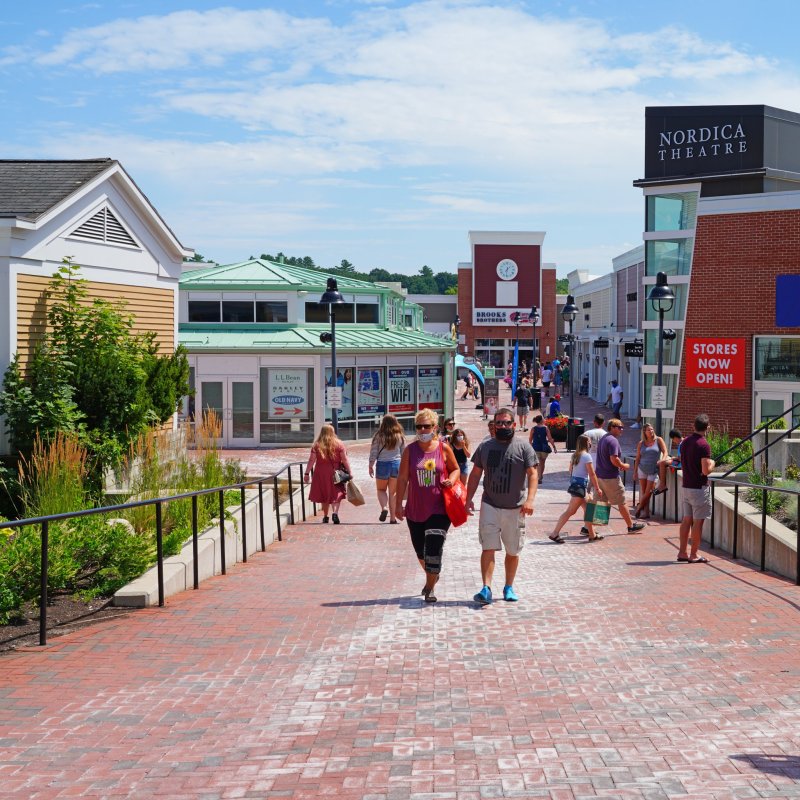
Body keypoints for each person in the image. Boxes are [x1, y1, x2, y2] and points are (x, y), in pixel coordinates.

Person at [466, 408, 538, 604]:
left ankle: (508, 586)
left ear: (514, 425)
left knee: (513, 551)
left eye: (507, 423)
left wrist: (530, 500)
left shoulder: (523, 448)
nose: (503, 426)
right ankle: (486, 588)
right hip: (490, 504)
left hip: (516, 508)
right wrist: (468, 498)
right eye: (499, 423)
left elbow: (532, 474)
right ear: (494, 425)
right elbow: (475, 474)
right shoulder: (485, 447)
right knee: (488, 547)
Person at [395, 409, 461, 602]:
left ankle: (430, 587)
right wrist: (399, 504)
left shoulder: (443, 448)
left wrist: (451, 478)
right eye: (419, 426)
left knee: (433, 548)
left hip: (439, 508)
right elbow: (402, 478)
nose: (423, 429)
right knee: (420, 551)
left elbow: (455, 468)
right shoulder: (410, 450)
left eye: (427, 426)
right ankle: (433, 573)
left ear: (435, 427)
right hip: (415, 509)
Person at [549, 434, 604, 543]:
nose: (590, 443)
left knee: (588, 510)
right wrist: (597, 488)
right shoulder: (586, 456)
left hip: (576, 485)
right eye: (589, 442)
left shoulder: (575, 455)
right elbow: (592, 473)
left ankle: (592, 535)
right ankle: (554, 533)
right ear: (585, 443)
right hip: (581, 487)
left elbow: (570, 470)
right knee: (570, 511)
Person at [594, 418, 645, 533]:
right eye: (619, 427)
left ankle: (590, 528)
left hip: (600, 476)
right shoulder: (613, 440)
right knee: (621, 501)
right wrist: (623, 465)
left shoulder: (604, 438)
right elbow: (614, 458)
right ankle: (630, 526)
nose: (622, 429)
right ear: (612, 428)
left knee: (600, 502)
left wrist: (618, 465)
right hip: (611, 477)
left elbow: (609, 459)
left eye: (622, 427)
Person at [677, 414, 715, 564]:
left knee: (686, 520)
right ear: (708, 428)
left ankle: (682, 552)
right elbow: (706, 470)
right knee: (698, 522)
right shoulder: (704, 445)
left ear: (694, 426)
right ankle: (694, 554)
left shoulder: (685, 442)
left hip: (686, 486)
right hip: (699, 488)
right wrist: (713, 463)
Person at [304, 424, 351, 525]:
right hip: (336, 472)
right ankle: (335, 513)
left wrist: (307, 473)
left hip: (320, 472)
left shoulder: (317, 445)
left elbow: (311, 460)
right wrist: (349, 471)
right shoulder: (339, 444)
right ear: (332, 432)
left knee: (324, 493)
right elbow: (345, 459)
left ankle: (325, 516)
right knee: (336, 493)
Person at [368, 414, 406, 524]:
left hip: (382, 465)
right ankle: (392, 518)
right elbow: (404, 453)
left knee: (381, 490)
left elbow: (374, 451)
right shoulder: (400, 435)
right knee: (393, 493)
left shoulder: (378, 436)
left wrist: (371, 465)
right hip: (396, 464)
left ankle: (384, 508)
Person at [632, 423, 668, 519]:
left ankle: (639, 508)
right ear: (644, 432)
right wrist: (635, 472)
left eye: (652, 429)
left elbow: (665, 452)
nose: (651, 431)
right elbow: (638, 458)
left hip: (653, 469)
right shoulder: (641, 443)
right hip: (642, 468)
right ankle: (646, 512)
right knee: (644, 492)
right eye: (649, 430)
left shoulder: (659, 440)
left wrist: (663, 459)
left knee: (649, 491)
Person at [655, 428, 683, 496]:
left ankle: (662, 485)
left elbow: (680, 458)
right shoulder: (686, 441)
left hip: (681, 464)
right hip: (683, 463)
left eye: (673, 439)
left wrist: (674, 458)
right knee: (661, 463)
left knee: (661, 463)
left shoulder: (681, 444)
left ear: (675, 437)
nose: (673, 441)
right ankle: (661, 483)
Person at [529, 414, 556, 483]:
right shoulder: (546, 428)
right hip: (544, 448)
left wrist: (530, 446)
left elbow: (530, 439)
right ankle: (540, 476)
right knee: (542, 463)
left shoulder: (533, 429)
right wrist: (554, 447)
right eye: (543, 418)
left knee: (538, 463)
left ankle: (539, 476)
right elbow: (550, 438)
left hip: (536, 448)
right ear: (541, 420)